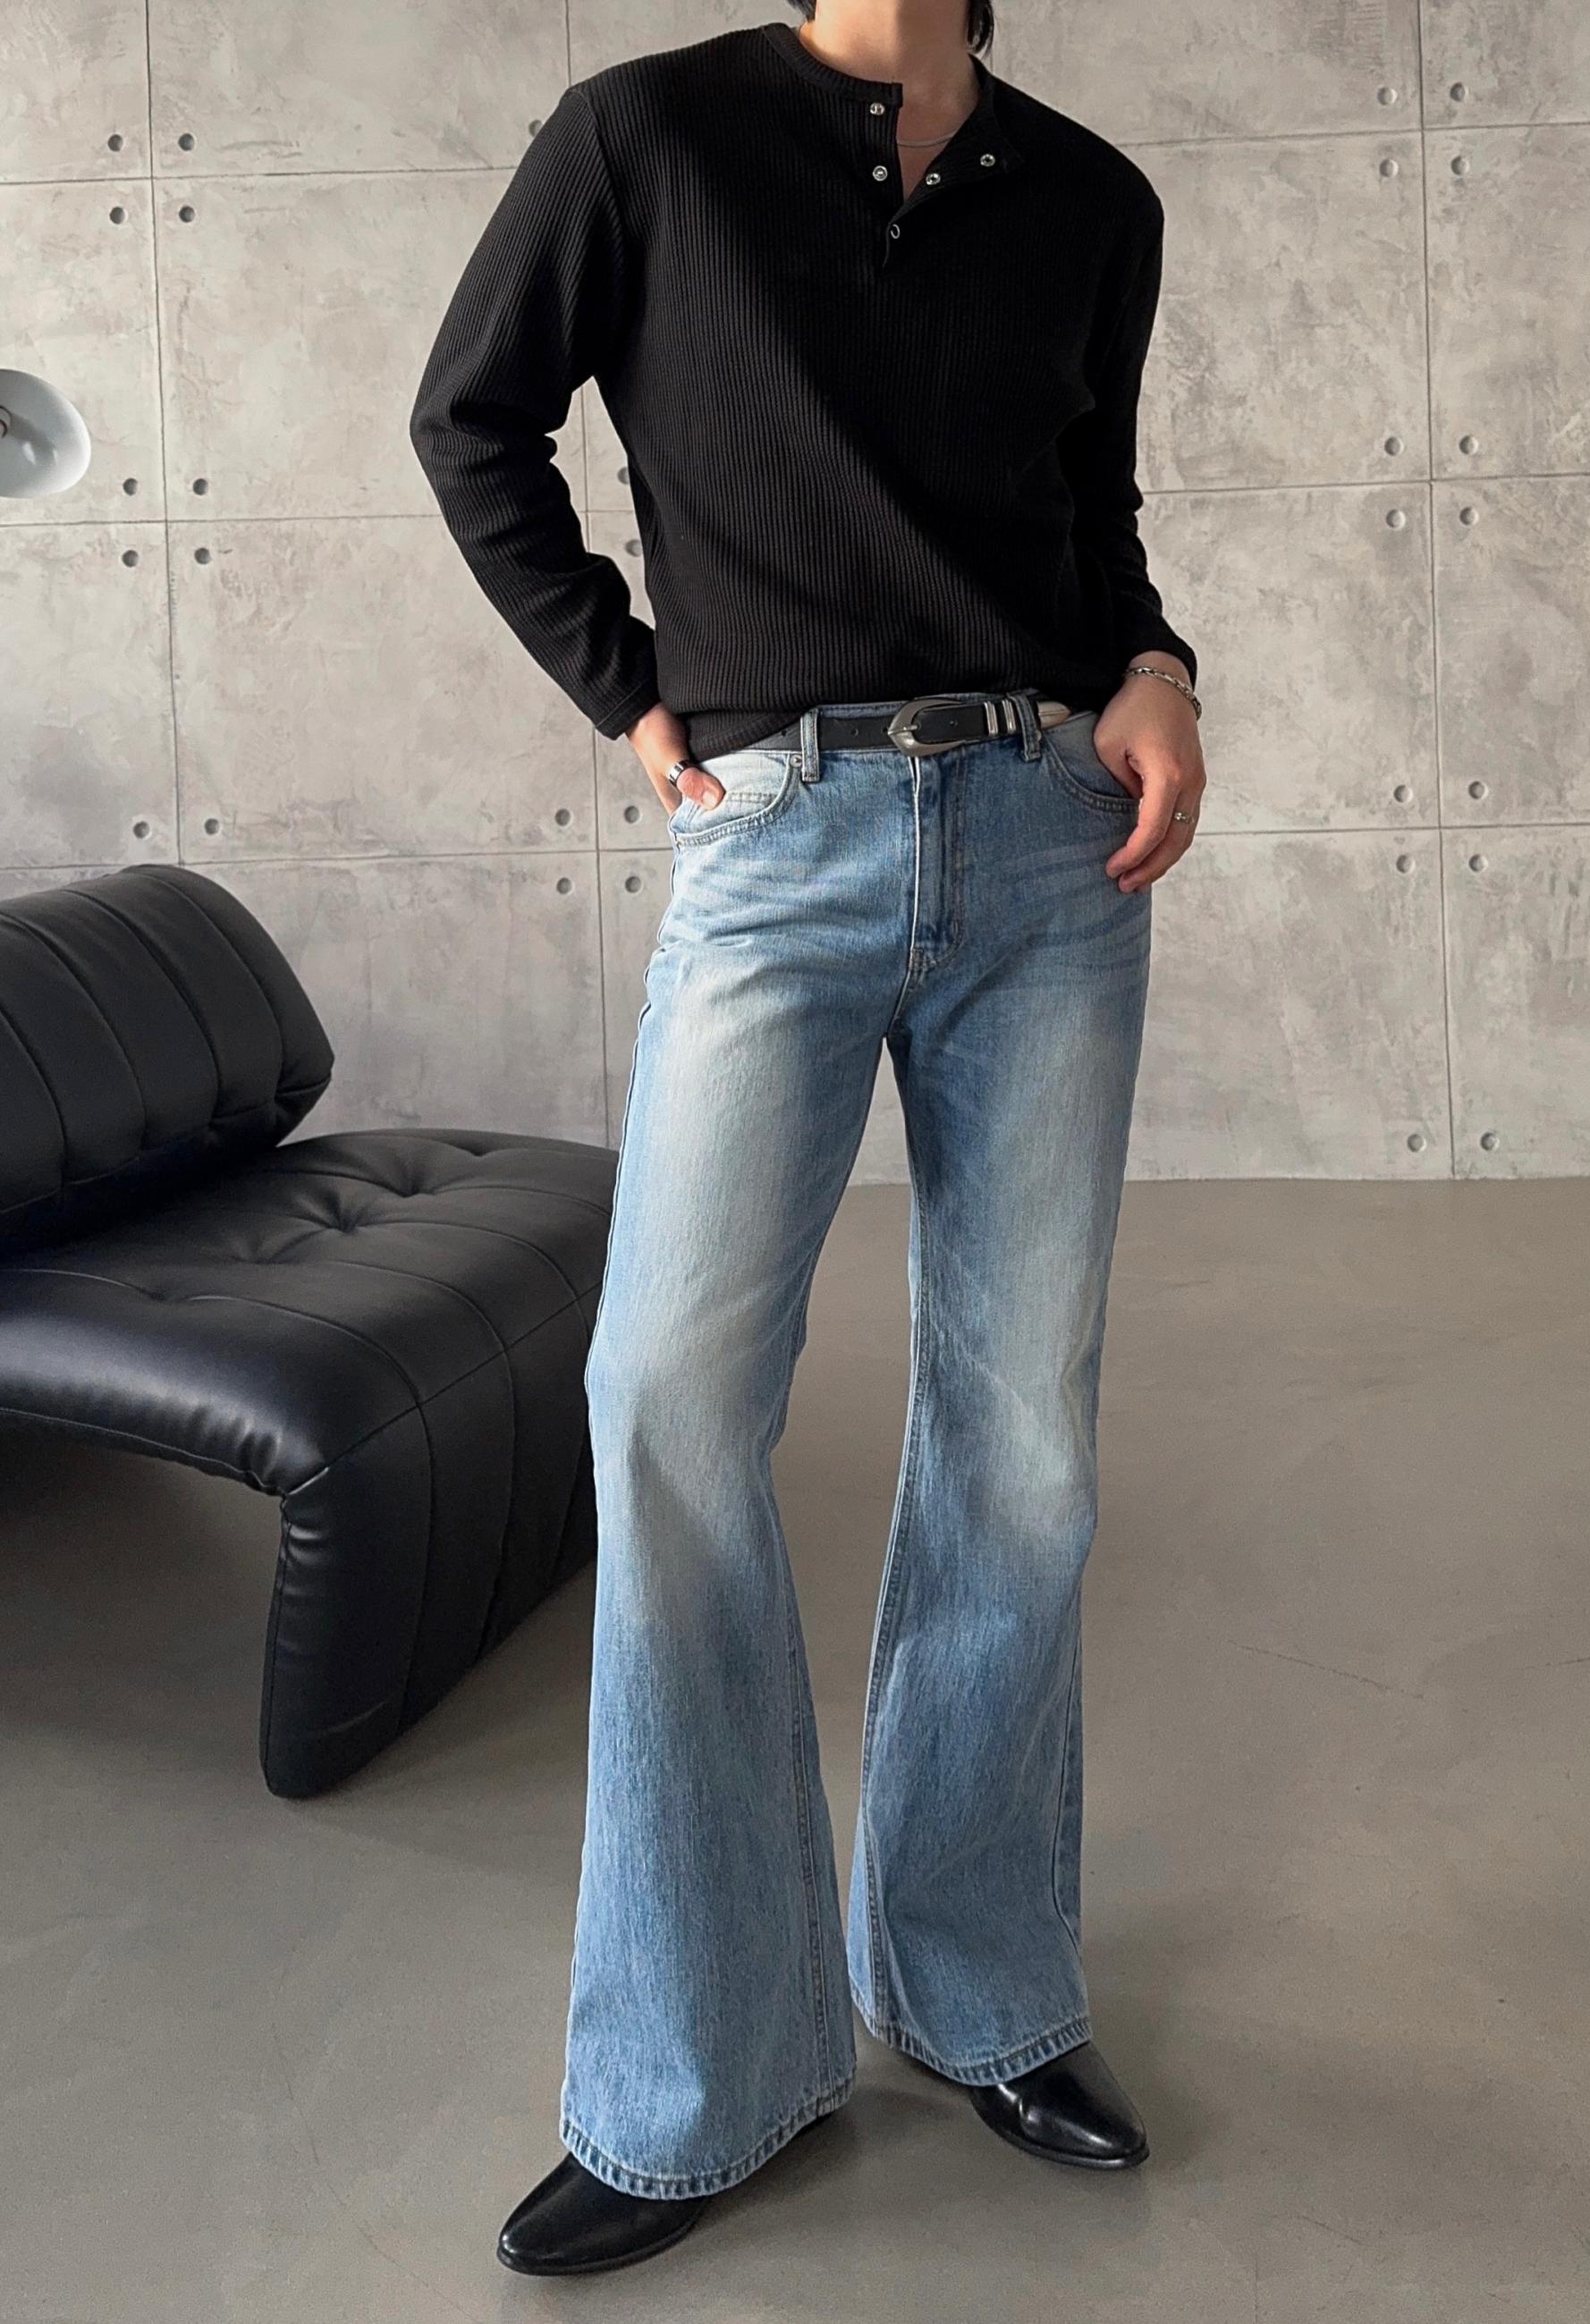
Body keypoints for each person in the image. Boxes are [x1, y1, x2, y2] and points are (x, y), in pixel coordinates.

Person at [410, 0, 1206, 2277]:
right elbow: (473, 420)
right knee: (666, 1401)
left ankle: (978, 1986)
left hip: (1054, 851)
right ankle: (702, 2066)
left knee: (1021, 1444)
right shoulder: (644, 140)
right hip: (779, 840)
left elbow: (1093, 522)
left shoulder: (1091, 197)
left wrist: (1159, 669)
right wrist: (629, 688)